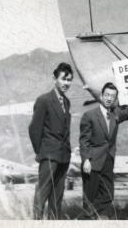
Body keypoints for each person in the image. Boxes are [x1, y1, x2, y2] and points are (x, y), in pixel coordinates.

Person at [79, 82, 128, 219]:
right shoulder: (89, 115)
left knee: (108, 195)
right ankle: (86, 220)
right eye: (107, 95)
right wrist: (85, 159)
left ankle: (93, 217)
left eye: (112, 96)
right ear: (102, 96)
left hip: (108, 161)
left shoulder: (116, 114)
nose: (109, 98)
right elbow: (83, 140)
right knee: (90, 197)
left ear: (115, 99)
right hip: (92, 162)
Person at [28, 62, 74, 220]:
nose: (66, 83)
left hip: (63, 157)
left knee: (57, 197)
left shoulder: (67, 102)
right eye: (63, 79)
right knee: (42, 193)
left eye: (69, 80)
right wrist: (39, 151)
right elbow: (34, 128)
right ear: (54, 78)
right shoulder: (44, 100)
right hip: (48, 154)